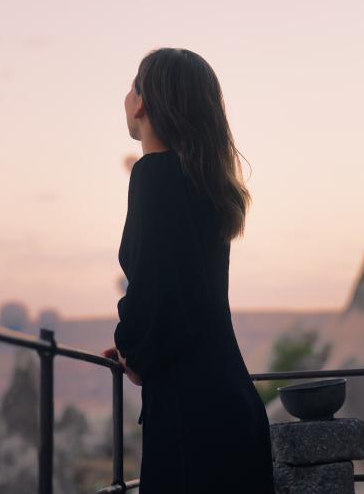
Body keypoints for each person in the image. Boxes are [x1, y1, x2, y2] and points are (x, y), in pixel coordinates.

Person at [101, 47, 275, 493]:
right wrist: (138, 350)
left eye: (132, 85)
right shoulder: (204, 185)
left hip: (190, 415)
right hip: (229, 404)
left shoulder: (154, 176)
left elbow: (155, 291)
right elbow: (187, 294)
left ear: (142, 102)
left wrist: (130, 350)